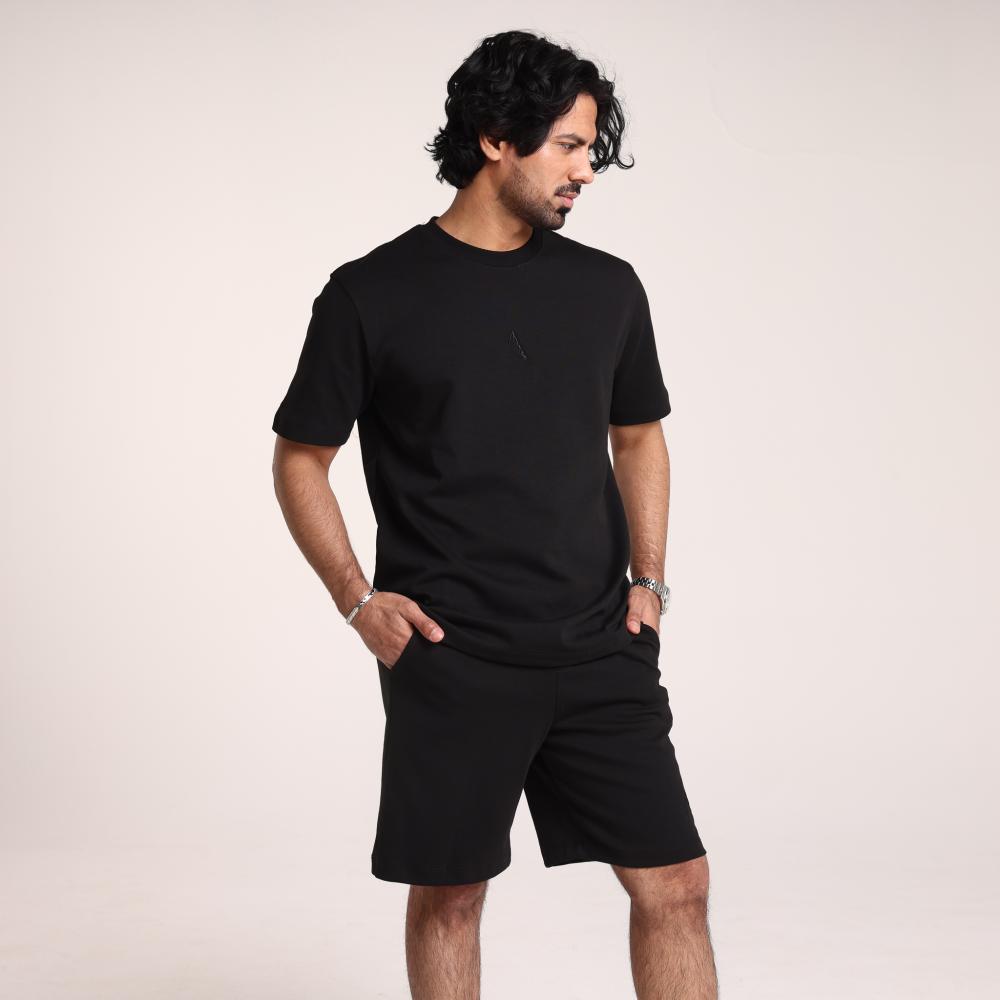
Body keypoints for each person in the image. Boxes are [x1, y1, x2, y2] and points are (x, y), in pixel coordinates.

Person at [271, 29, 718, 1000]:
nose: (586, 170)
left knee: (677, 884)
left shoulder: (606, 288)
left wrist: (648, 579)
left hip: (599, 647)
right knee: (451, 900)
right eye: (567, 145)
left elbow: (639, 437)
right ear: (494, 138)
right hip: (453, 655)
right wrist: (357, 600)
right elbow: (301, 459)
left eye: (591, 147)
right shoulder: (371, 294)